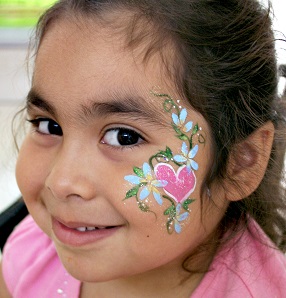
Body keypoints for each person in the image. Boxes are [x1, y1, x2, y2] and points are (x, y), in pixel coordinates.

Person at [1, 0, 286, 297]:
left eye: (124, 137)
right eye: (49, 126)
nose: (60, 183)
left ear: (240, 163)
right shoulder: (32, 254)